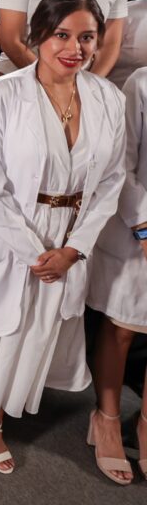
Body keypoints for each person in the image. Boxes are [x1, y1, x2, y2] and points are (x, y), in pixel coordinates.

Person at [0, 0, 125, 478]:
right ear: (37, 35)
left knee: (32, 333)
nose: (74, 48)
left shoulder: (109, 99)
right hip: (5, 233)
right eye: (62, 35)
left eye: (86, 38)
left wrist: (74, 249)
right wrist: (37, 253)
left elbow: (112, 181)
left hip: (69, 236)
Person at [88, 60, 147, 485]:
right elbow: (121, 165)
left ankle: (146, 424)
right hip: (137, 228)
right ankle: (106, 419)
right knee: (122, 327)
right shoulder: (141, 83)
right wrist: (143, 225)